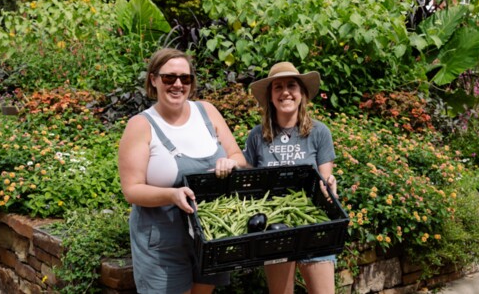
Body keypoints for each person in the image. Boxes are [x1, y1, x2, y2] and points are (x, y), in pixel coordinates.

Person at [118, 48, 247, 294]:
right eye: (169, 78)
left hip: (210, 235)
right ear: (154, 80)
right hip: (163, 241)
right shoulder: (141, 125)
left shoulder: (207, 112)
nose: (177, 84)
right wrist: (171, 195)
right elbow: (131, 190)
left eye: (185, 78)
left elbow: (238, 157)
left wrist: (231, 163)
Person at [243, 62, 338, 294]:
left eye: (291, 86)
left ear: (302, 94)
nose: (285, 92)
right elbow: (247, 177)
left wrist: (330, 185)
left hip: (313, 222)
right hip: (275, 226)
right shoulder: (257, 136)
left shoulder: (319, 132)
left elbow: (325, 179)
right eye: (278, 87)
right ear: (270, 96)